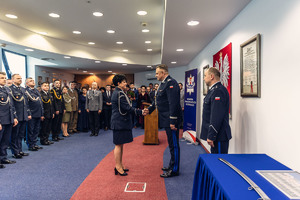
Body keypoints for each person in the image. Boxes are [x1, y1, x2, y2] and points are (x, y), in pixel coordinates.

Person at [145, 64, 182, 178]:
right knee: (171, 144)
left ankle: (174, 169)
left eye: (157, 73)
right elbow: (158, 101)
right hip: (166, 119)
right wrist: (149, 109)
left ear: (163, 73)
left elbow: (173, 103)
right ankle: (172, 164)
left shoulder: (171, 83)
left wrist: (172, 121)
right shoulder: (164, 83)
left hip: (171, 120)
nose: (156, 75)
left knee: (174, 144)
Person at [111, 74, 144, 176]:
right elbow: (127, 108)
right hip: (119, 122)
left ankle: (120, 165)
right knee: (118, 145)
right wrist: (141, 112)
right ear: (118, 83)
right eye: (124, 82)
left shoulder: (120, 92)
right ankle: (117, 166)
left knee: (121, 144)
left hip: (122, 121)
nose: (126, 84)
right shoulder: (119, 93)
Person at [200, 67, 232, 154]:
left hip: (219, 135)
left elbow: (216, 116)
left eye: (205, 76)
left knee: (219, 163)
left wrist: (211, 135)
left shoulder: (218, 91)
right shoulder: (214, 90)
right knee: (216, 162)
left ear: (211, 76)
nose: (204, 78)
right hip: (217, 135)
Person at [10, 74, 31, 159]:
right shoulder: (10, 89)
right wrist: (14, 116)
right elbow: (11, 105)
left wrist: (28, 114)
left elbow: (26, 103)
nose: (20, 80)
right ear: (13, 80)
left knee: (21, 135)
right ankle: (15, 152)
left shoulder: (23, 89)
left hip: (23, 115)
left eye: (21, 78)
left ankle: (20, 150)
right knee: (15, 135)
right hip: (17, 116)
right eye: (18, 78)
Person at [0, 72, 18, 167]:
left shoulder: (6, 89)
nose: (4, 79)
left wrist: (14, 117)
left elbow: (11, 105)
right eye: (1, 78)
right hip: (1, 120)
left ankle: (3, 158)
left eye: (4, 77)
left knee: (5, 140)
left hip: (8, 119)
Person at [25, 77, 44, 151]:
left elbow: (40, 103)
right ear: (27, 83)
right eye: (30, 81)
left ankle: (34, 143)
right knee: (30, 130)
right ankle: (30, 145)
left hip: (38, 113)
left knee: (36, 130)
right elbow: (26, 104)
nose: (33, 82)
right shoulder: (26, 91)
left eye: (33, 80)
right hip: (32, 113)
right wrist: (29, 113)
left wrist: (42, 114)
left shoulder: (36, 90)